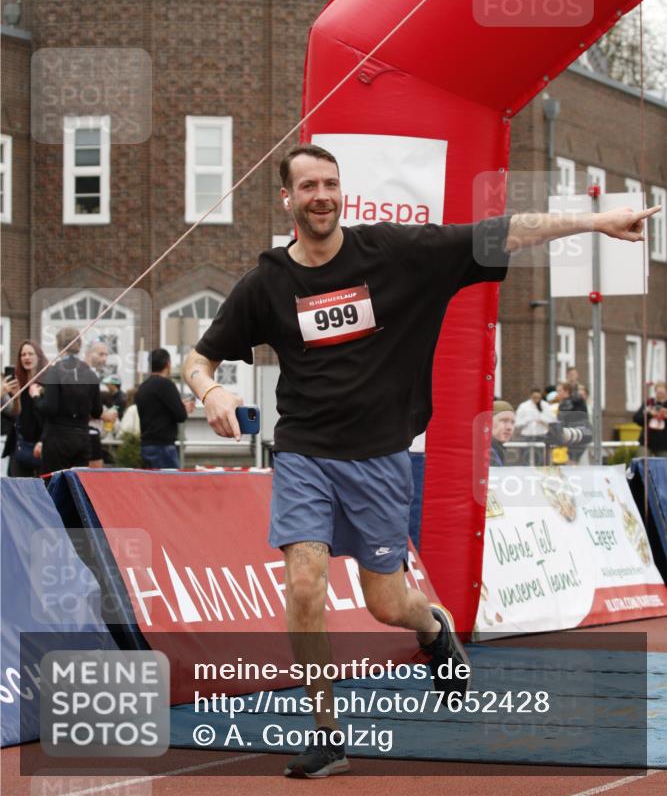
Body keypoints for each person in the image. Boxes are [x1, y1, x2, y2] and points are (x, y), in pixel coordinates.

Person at [183, 143, 660, 778]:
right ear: (287, 200)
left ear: (340, 191)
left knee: (387, 604)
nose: (321, 195)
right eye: (307, 186)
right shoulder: (267, 282)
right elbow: (198, 359)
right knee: (303, 583)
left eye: (330, 183)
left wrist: (596, 222)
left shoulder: (394, 254)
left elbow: (504, 231)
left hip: (379, 457)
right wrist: (210, 391)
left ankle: (433, 629)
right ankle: (326, 732)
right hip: (304, 454)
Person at [36, 327, 103, 474]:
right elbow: (97, 411)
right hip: (82, 438)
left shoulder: (55, 371)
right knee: (76, 487)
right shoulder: (90, 373)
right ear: (78, 345)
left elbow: (50, 407)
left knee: (53, 487)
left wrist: (36, 397)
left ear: (59, 345)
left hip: (58, 438)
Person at [135, 349, 194, 469]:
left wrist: (179, 405)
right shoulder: (166, 385)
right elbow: (180, 416)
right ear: (168, 364)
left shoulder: (143, 387)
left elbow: (156, 410)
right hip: (163, 447)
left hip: (146, 445)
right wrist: (184, 408)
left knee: (151, 485)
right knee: (171, 485)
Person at [4, 340, 48, 477]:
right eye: (23, 354)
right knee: (17, 491)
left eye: (30, 354)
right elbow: (16, 413)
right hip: (20, 444)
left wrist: (42, 440)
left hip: (42, 443)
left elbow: (50, 415)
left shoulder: (48, 382)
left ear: (38, 356)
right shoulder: (19, 382)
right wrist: (15, 397)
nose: (26, 357)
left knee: (43, 489)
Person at [514, 387, 553, 465]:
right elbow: (517, 423)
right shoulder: (524, 406)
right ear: (530, 396)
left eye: (538, 398)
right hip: (527, 436)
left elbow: (551, 420)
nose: (536, 400)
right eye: (534, 398)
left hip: (541, 435)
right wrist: (528, 420)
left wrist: (542, 420)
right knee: (526, 458)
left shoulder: (545, 405)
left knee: (541, 459)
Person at [633, 381, 667, 457]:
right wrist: (649, 414)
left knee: (663, 466)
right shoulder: (649, 403)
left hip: (664, 444)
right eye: (658, 392)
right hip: (646, 442)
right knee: (641, 463)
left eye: (662, 393)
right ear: (655, 392)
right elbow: (636, 419)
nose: (660, 395)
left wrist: (664, 415)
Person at [490, 400, 515, 466]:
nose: (509, 427)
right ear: (488, 422)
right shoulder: (484, 452)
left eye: (512, 422)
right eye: (504, 421)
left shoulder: (498, 448)